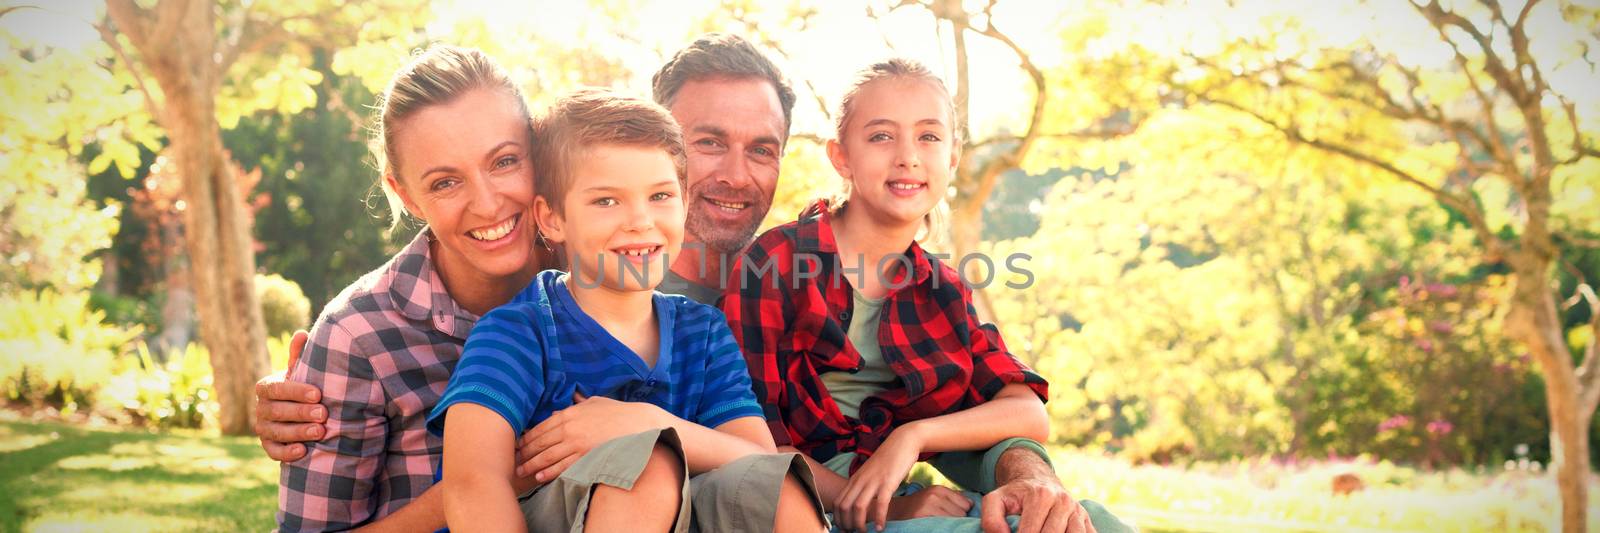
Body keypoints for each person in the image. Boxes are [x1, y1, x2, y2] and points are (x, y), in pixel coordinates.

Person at [259, 33, 1105, 533]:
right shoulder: (530, 299)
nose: (490, 201)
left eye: (761, 148)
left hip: (773, 503)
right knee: (645, 464)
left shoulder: (769, 286)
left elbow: (775, 455)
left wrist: (991, 472)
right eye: (707, 143)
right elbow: (479, 477)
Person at [721, 58, 1130, 533]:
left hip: (908, 497)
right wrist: (889, 508)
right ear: (841, 157)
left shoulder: (942, 290)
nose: (908, 157)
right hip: (811, 507)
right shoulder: (775, 264)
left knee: (1093, 520)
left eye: (929, 137)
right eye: (881, 136)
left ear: (952, 157)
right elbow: (750, 441)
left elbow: (1027, 411)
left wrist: (913, 437)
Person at [430, 89, 825, 532]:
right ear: (552, 218)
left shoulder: (703, 331)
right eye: (606, 201)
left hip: (681, 512)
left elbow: (757, 458)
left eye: (660, 196)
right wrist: (648, 444)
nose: (640, 220)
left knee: (778, 489)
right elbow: (472, 482)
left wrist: (648, 422)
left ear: (684, 202)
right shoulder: (518, 331)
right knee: (648, 468)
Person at [274, 45, 558, 531]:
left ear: (538, 151)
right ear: (405, 194)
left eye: (505, 161)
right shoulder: (358, 337)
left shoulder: (598, 284)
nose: (488, 205)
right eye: (446, 183)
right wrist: (479, 482)